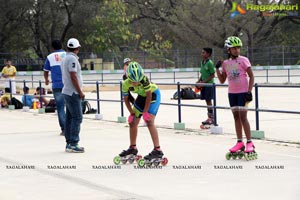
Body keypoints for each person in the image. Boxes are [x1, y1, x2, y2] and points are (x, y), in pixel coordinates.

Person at [215, 36, 256, 158]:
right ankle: (239, 142)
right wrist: (217, 68)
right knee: (236, 117)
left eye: (238, 48)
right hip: (232, 93)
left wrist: (249, 91)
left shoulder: (244, 60)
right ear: (228, 49)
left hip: (243, 92)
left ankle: (249, 142)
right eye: (234, 48)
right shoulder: (226, 63)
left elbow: (251, 76)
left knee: (243, 117)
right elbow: (222, 80)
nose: (237, 50)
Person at [118, 61, 165, 162]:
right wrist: (131, 113)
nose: (136, 83)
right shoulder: (125, 84)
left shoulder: (144, 79)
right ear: (128, 78)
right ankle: (132, 148)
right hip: (142, 96)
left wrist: (145, 112)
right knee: (132, 122)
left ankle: (157, 150)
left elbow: (149, 96)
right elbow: (126, 99)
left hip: (153, 95)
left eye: (138, 81)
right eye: (133, 82)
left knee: (149, 121)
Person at [61, 38, 85, 153]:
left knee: (70, 117)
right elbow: (73, 76)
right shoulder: (72, 59)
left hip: (67, 91)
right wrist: (80, 92)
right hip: (73, 92)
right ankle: (73, 143)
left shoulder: (65, 58)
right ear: (77, 48)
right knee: (77, 117)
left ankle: (69, 142)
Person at [44, 39, 66, 136]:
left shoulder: (50, 57)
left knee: (60, 108)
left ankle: (64, 129)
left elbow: (45, 71)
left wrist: (46, 79)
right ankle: (71, 128)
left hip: (57, 85)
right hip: (68, 84)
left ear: (52, 47)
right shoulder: (68, 55)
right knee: (70, 107)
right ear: (62, 45)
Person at [196, 48, 215, 127]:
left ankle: (212, 118)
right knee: (206, 101)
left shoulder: (210, 63)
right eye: (202, 52)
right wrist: (199, 81)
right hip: (204, 85)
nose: (202, 54)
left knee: (209, 101)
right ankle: (209, 117)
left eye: (204, 53)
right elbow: (202, 74)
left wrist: (204, 82)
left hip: (209, 85)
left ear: (208, 54)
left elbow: (212, 75)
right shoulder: (202, 62)